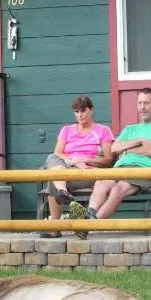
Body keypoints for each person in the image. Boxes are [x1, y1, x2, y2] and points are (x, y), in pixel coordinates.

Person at [68, 88, 151, 238]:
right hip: (120, 168)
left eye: (146, 103)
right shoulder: (130, 129)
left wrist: (128, 150)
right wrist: (139, 143)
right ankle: (89, 214)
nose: (142, 107)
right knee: (101, 183)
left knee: (118, 189)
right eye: (139, 103)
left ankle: (89, 225)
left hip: (144, 170)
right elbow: (114, 148)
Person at [40, 95, 114, 238]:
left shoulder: (103, 130)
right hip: (68, 168)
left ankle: (55, 228)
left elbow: (108, 160)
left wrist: (86, 160)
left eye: (83, 111)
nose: (79, 115)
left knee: (53, 180)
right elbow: (58, 153)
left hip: (89, 171)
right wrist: (74, 161)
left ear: (91, 110)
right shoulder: (67, 130)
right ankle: (63, 191)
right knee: (52, 157)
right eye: (76, 112)